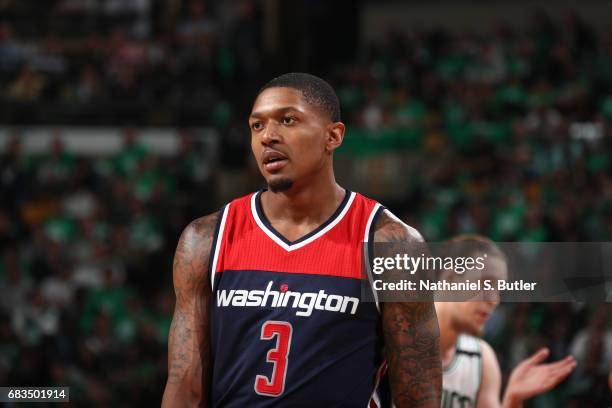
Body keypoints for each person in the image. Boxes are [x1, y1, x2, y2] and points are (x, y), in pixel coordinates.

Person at [161, 73, 441, 407]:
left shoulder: (391, 244)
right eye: (257, 126)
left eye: (288, 120)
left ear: (333, 136)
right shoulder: (206, 239)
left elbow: (418, 397)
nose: (269, 137)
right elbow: (184, 387)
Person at [435, 235, 576, 407]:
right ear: (450, 279)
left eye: (498, 289)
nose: (494, 300)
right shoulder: (396, 338)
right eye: (486, 283)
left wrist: (512, 400)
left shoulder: (483, 360)